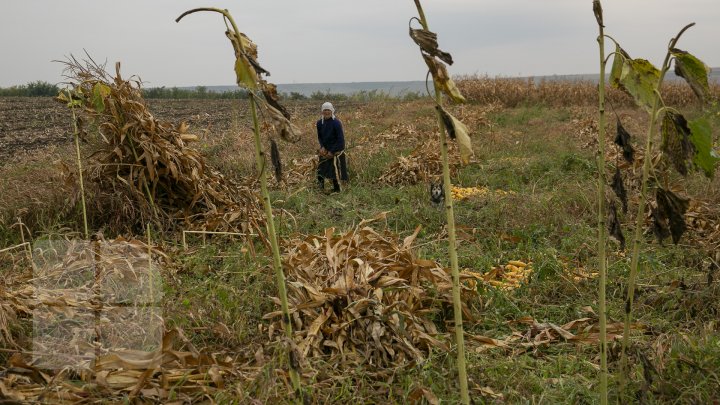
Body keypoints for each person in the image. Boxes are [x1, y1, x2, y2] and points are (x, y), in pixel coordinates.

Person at [316, 101, 348, 193]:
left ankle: (337, 189)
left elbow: (341, 140)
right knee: (321, 169)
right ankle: (321, 189)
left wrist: (332, 151)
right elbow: (320, 137)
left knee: (336, 171)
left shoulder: (336, 123)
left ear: (332, 111)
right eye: (325, 110)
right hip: (325, 150)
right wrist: (322, 147)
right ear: (322, 111)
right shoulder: (319, 123)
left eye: (328, 110)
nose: (326, 112)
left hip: (336, 150)